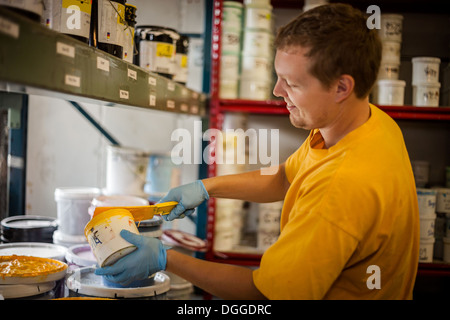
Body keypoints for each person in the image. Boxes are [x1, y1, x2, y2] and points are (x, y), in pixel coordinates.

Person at [95, 3, 420, 300]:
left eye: (291, 83)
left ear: (341, 87)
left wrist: (166, 258)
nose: (277, 92)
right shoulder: (368, 124)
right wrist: (208, 187)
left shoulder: (340, 190)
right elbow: (285, 177)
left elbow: (263, 295)